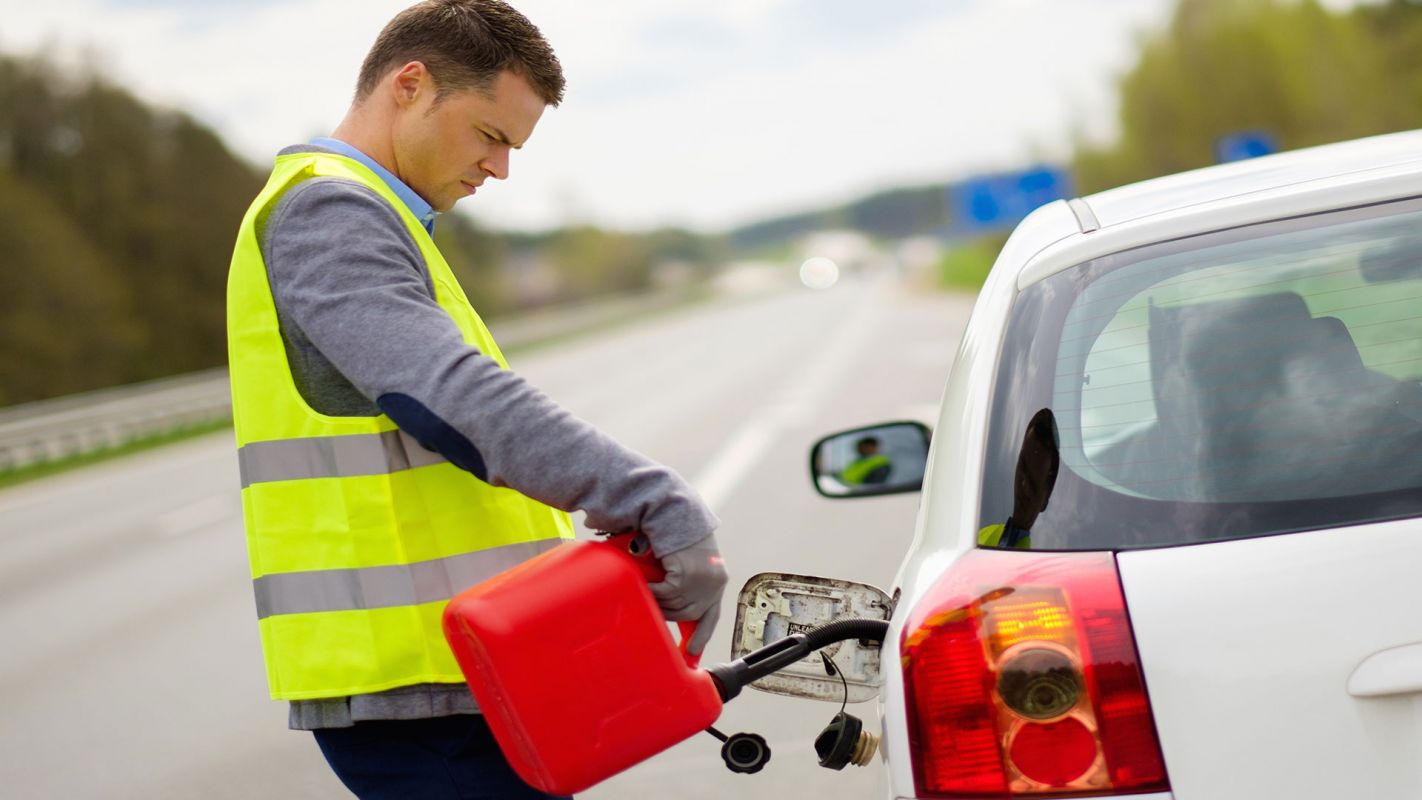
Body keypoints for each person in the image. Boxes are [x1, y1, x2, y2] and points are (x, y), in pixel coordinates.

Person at [225, 2, 728, 797]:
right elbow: (450, 398)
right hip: (416, 691)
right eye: (491, 136)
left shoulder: (377, 213)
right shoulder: (331, 211)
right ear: (411, 84)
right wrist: (648, 496)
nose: (500, 169)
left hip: (462, 671)